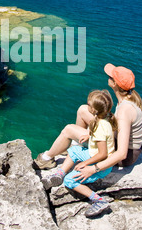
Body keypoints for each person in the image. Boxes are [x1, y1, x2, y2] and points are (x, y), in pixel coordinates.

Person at [33, 63, 142, 176]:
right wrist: (91, 133)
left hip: (121, 156)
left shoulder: (124, 111)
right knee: (83, 110)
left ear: (115, 84)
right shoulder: (132, 97)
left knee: (69, 129)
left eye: (111, 76)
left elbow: (122, 154)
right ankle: (76, 146)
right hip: (117, 140)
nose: (108, 77)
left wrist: (94, 169)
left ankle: (45, 159)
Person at [41, 89, 117, 218]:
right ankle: (60, 173)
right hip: (94, 155)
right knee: (74, 150)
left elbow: (103, 154)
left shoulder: (100, 127)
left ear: (93, 110)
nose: (87, 107)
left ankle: (98, 200)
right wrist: (90, 135)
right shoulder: (107, 119)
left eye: (89, 105)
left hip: (100, 164)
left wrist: (86, 163)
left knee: (70, 181)